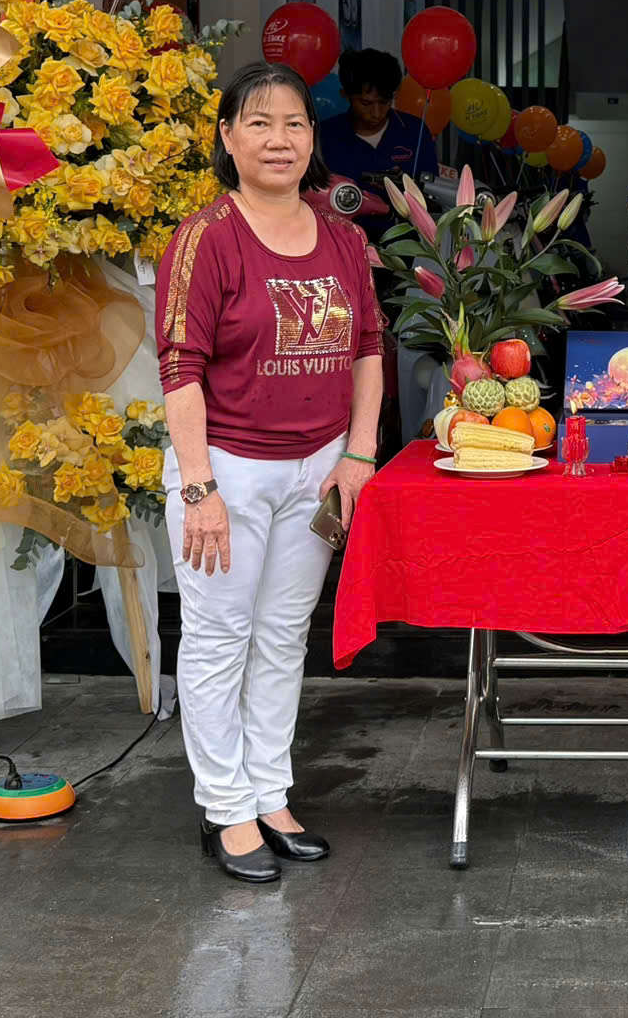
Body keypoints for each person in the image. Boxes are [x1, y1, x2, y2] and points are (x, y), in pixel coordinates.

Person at [156, 63, 387, 883]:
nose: (278, 139)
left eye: (293, 123)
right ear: (227, 138)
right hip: (226, 466)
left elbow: (367, 347)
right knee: (220, 635)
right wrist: (198, 488)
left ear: (312, 139)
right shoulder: (206, 237)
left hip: (317, 469)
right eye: (258, 123)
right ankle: (227, 808)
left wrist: (358, 455)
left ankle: (271, 790)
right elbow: (179, 366)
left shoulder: (343, 236)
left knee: (285, 635)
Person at [316, 47, 440, 223]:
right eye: (365, 103)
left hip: (407, 242)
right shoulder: (324, 136)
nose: (376, 112)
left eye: (384, 102)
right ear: (345, 95)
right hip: (343, 240)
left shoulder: (414, 131)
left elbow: (434, 193)